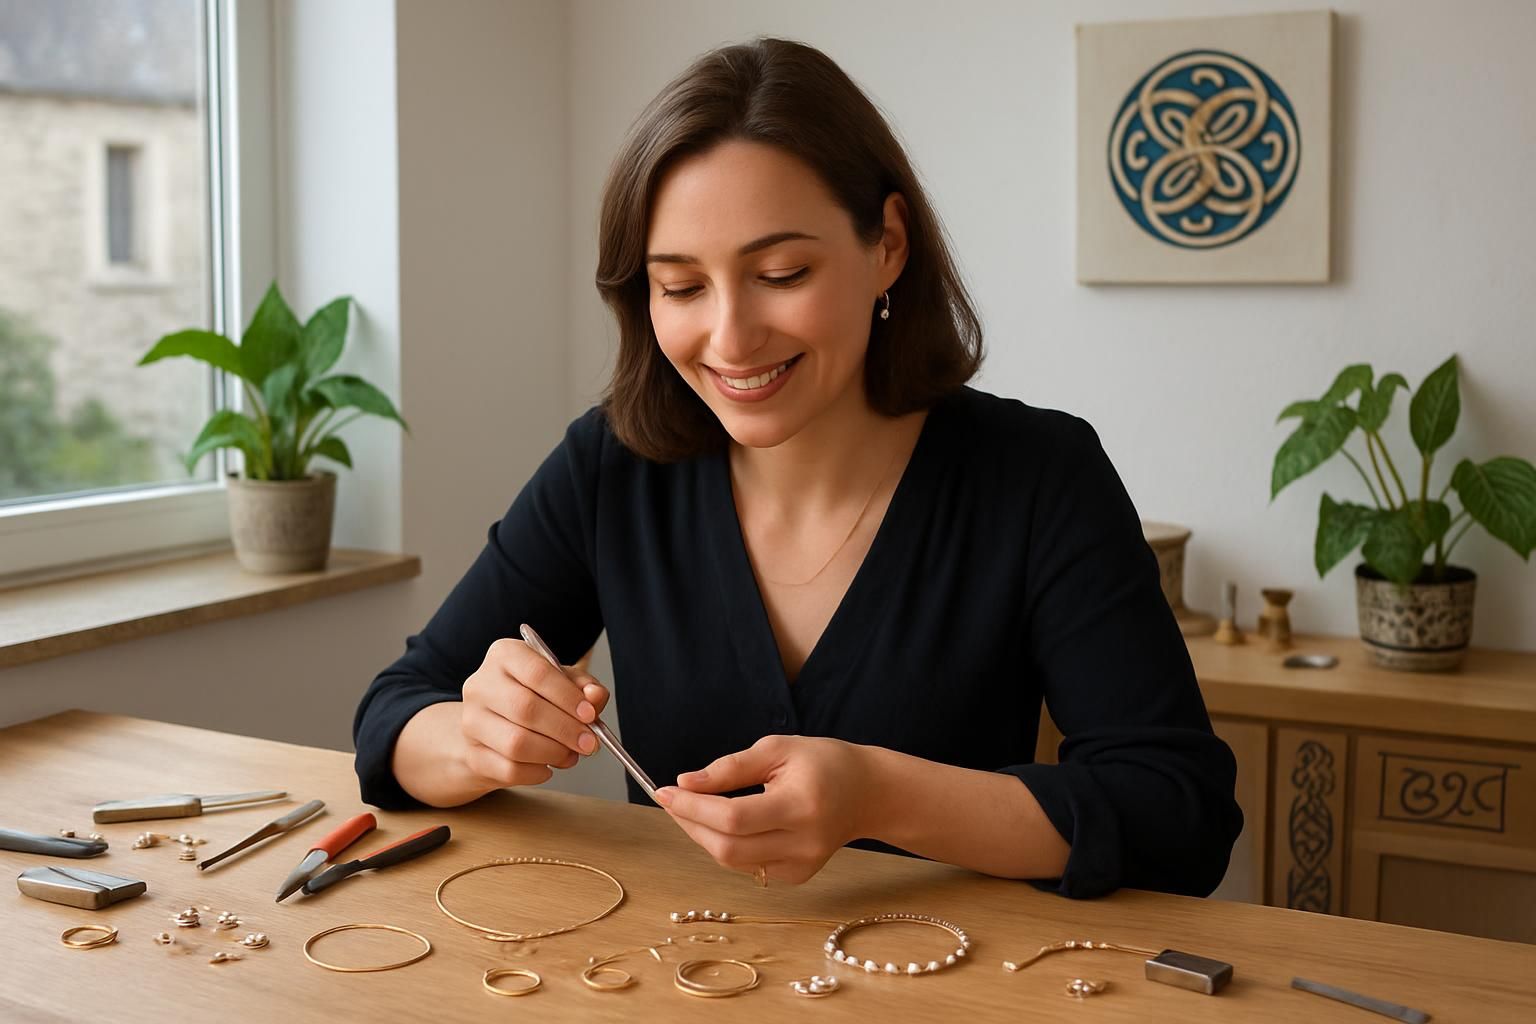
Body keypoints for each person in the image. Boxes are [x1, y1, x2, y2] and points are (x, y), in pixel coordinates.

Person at [353, 37, 1242, 899]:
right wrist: (476, 737)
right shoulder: (610, 465)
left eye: (780, 272)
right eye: (682, 287)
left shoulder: (1039, 474)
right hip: (677, 982)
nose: (731, 339)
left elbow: (1180, 815)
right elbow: (393, 716)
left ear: (887, 245)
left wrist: (881, 796)